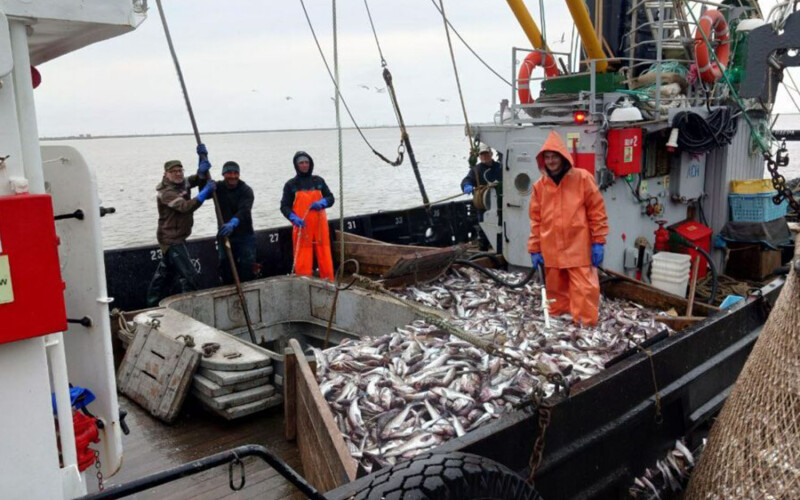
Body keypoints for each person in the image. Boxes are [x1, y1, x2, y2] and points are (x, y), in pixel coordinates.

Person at [528, 131, 609, 326]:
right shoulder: (539, 186)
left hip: (578, 247)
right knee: (555, 292)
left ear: (563, 157)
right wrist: (535, 248)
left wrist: (598, 241)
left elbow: (596, 212)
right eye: (547, 157)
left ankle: (585, 327)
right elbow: (535, 220)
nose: (551, 161)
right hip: (551, 248)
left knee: (584, 290)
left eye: (554, 156)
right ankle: (557, 323)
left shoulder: (582, 178)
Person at [146, 144, 216, 307]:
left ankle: (151, 304)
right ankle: (187, 307)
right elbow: (186, 207)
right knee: (190, 276)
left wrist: (202, 161)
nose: (178, 174)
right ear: (166, 174)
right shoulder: (166, 193)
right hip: (171, 239)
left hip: (178, 237)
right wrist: (204, 194)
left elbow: (197, 179)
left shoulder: (181, 183)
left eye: (180, 171)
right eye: (173, 172)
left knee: (164, 276)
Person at [280, 151, 335, 281]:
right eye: (301, 163)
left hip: (320, 227)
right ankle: (304, 283)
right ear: (296, 165)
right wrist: (293, 218)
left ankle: (329, 282)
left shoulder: (318, 181)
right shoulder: (291, 185)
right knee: (303, 258)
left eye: (306, 162)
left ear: (310, 164)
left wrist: (323, 202)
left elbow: (331, 198)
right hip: (302, 227)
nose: (304, 165)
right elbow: (284, 206)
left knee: (325, 256)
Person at [215, 160, 256, 285]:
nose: (233, 176)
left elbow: (244, 210)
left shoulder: (246, 190)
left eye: (235, 173)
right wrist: (202, 178)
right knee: (225, 266)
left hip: (245, 235)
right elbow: (202, 192)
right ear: (223, 174)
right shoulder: (217, 187)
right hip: (225, 235)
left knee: (247, 266)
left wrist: (233, 222)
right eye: (229, 173)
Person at [461, 143, 503, 250]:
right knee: (483, 230)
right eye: (482, 154)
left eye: (486, 154)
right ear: (479, 156)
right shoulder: (476, 169)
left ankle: (500, 249)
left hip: (500, 204)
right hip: (483, 206)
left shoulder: (500, 167)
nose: (484, 156)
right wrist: (467, 185)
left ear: (491, 154)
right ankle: (483, 249)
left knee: (500, 227)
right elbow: (467, 179)